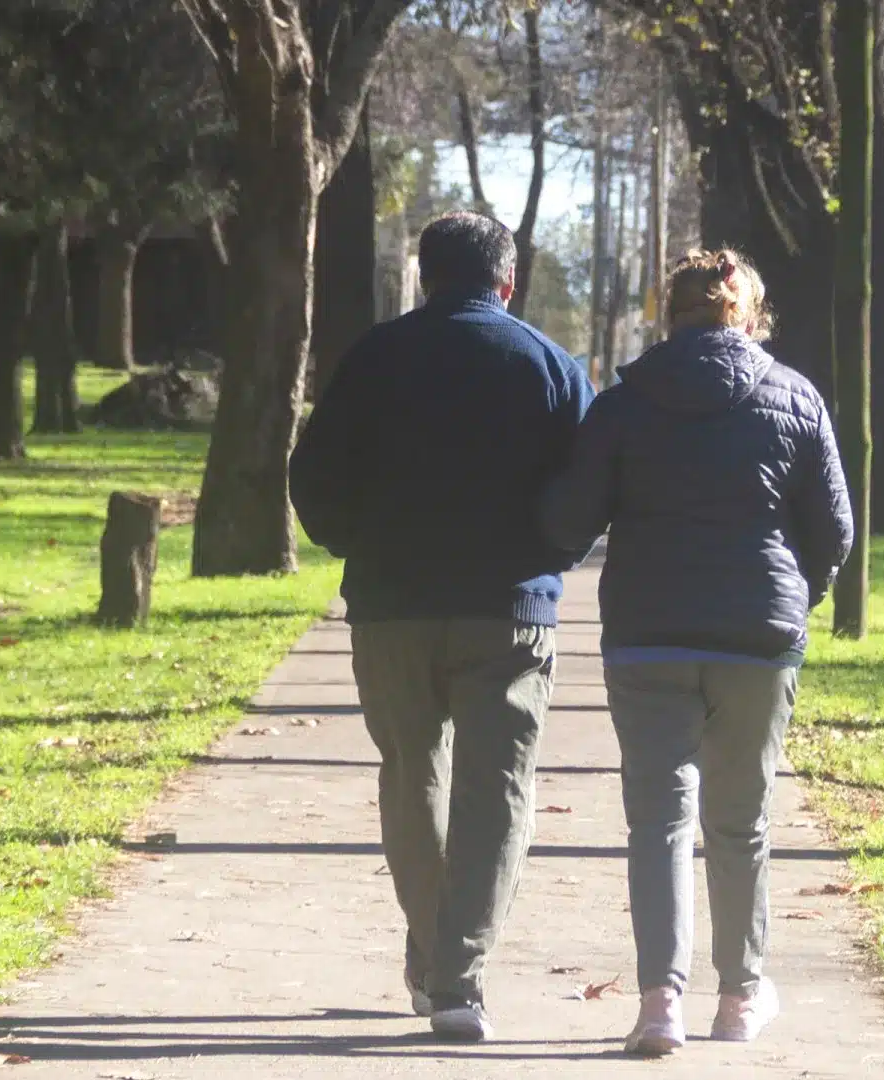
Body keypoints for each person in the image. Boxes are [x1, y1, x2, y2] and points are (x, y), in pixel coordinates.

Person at [289, 211, 595, 1042]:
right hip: (510, 611)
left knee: (411, 773)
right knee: (498, 790)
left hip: (391, 605)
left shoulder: (374, 358)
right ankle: (459, 977)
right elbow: (587, 488)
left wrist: (351, 543)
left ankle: (431, 955)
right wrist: (550, 557)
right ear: (508, 281)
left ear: (425, 277)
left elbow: (312, 474)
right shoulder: (551, 365)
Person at [541, 248, 853, 1056]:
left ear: (668, 314)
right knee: (742, 822)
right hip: (759, 638)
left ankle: (658, 1005)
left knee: (658, 823)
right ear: (746, 315)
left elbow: (571, 522)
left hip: (649, 636)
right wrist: (793, 597)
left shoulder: (625, 402)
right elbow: (835, 531)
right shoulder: (795, 395)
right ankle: (741, 997)